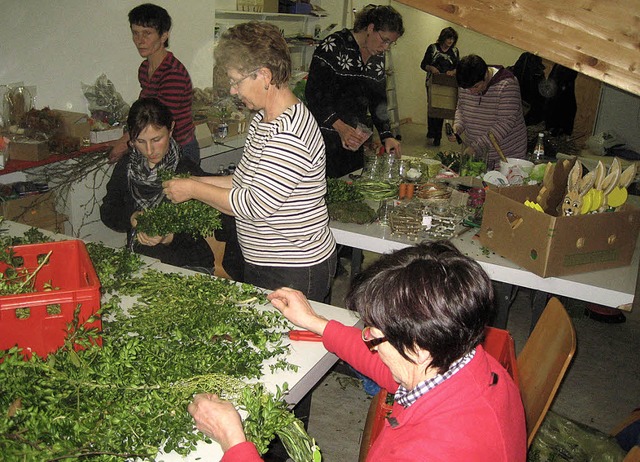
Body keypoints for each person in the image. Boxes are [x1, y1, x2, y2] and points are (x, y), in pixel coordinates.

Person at [188, 241, 527, 461]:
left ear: (419, 348)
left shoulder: (427, 451)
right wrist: (316, 322)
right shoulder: (465, 360)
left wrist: (233, 441)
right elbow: (389, 369)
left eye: (374, 334)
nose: (367, 339)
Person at [162, 21, 336, 303]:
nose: (233, 91)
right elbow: (243, 181)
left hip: (294, 267)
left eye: (236, 81)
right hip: (266, 261)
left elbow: (254, 205)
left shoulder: (289, 132)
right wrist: (193, 180)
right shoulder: (262, 120)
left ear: (264, 76)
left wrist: (193, 191)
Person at [100, 97, 238, 275]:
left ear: (171, 129)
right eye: (140, 141)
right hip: (141, 259)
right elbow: (108, 211)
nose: (149, 150)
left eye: (157, 139)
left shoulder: (185, 171)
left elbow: (209, 227)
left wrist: (168, 236)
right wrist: (132, 218)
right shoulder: (126, 167)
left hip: (186, 264)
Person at [305, 4, 404, 178]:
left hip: (355, 139)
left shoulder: (376, 55)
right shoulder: (334, 46)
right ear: (371, 28)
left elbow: (378, 100)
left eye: (391, 43)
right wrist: (341, 127)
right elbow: (314, 95)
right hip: (325, 137)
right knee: (326, 189)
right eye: (385, 40)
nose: (386, 47)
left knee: (352, 186)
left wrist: (386, 135)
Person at [108, 3, 198, 165]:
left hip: (179, 149)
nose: (139, 41)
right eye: (135, 33)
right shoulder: (144, 69)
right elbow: (145, 111)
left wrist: (124, 143)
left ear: (164, 36)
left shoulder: (173, 73)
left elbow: (156, 122)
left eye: (147, 34)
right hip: (157, 146)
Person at [448, 54, 528, 170]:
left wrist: (475, 148)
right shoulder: (467, 83)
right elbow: (461, 108)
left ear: (486, 74)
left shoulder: (507, 85)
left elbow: (504, 124)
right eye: (466, 89)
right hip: (479, 156)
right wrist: (458, 127)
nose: (471, 92)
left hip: (506, 157)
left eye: (475, 87)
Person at [420, 27, 459, 146]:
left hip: (447, 84)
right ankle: (431, 131)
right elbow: (423, 64)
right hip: (432, 82)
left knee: (442, 108)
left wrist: (453, 72)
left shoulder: (455, 51)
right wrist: (431, 68)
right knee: (432, 106)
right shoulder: (433, 48)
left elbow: (458, 67)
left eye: (453, 39)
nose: (450, 41)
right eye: (448, 38)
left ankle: (438, 135)